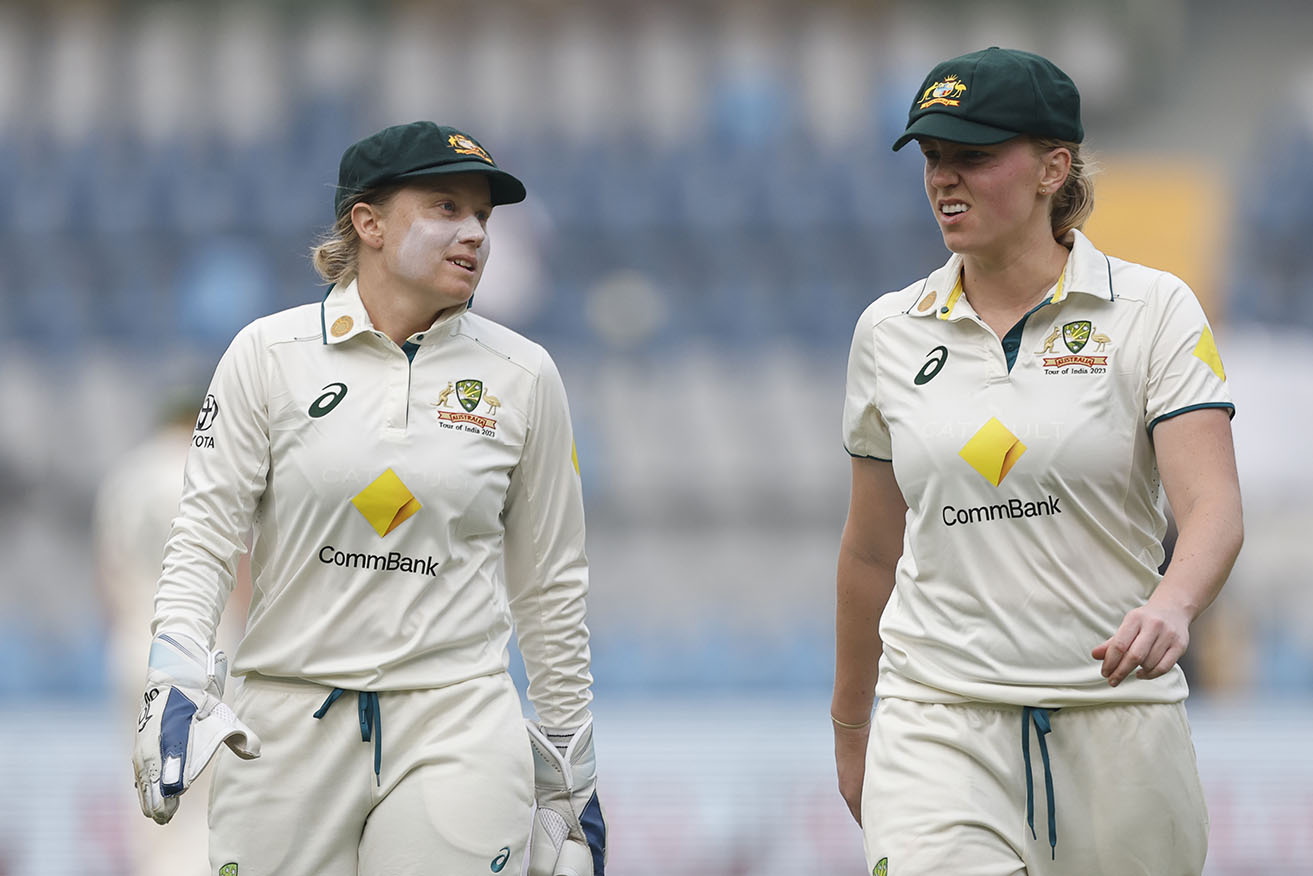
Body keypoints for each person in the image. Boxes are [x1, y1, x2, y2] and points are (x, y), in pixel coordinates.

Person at [130, 121, 606, 876]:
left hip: (457, 717)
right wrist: (177, 674)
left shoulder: (525, 375)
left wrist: (570, 767)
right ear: (369, 222)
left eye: (482, 215)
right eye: (445, 208)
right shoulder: (268, 355)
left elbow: (551, 586)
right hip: (285, 720)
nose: (475, 233)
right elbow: (206, 536)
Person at [832, 48, 1242, 876]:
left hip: (1118, 720)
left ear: (1054, 167)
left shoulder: (1153, 309)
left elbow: (1212, 510)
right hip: (937, 718)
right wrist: (851, 727)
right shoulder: (887, 329)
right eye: (932, 158)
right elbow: (871, 550)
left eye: (973, 157)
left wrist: (1172, 605)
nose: (943, 179)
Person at [96, 397, 250, 876]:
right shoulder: (207, 471)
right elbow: (240, 573)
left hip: (130, 648)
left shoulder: (125, 476)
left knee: (144, 791)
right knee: (205, 793)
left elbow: (105, 577)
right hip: (197, 650)